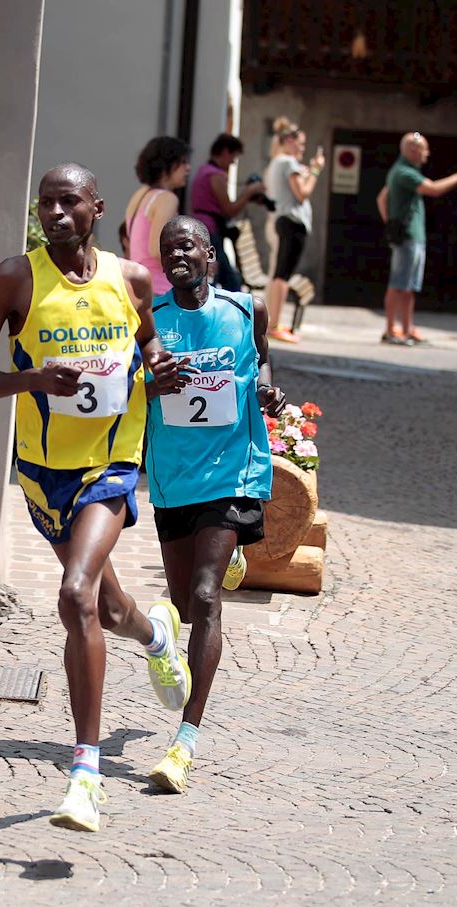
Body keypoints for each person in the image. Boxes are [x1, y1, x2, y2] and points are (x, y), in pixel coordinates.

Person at [0, 163, 193, 833]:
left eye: (69, 202)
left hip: (112, 463)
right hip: (42, 472)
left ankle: (84, 776)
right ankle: (154, 634)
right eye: (46, 204)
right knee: (107, 605)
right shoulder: (15, 279)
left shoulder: (132, 279)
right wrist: (30, 378)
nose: (56, 213)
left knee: (74, 594)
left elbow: (149, 346)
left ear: (96, 207)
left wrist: (162, 368)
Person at [144, 216, 286, 793]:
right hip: (173, 477)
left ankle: (185, 741)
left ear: (209, 254)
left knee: (205, 599)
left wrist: (268, 391)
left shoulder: (247, 309)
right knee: (180, 600)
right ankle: (164, 635)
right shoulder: (149, 320)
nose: (178, 254)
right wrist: (152, 387)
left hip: (232, 471)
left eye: (187, 245)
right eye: (168, 249)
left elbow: (264, 361)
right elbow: (130, 387)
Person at [376, 132, 457, 345]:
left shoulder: (401, 171)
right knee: (398, 284)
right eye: (424, 149)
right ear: (413, 150)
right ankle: (390, 330)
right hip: (408, 236)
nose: (427, 154)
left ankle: (407, 329)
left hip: (413, 235)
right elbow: (433, 189)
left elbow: (382, 198)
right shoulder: (404, 172)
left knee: (409, 286)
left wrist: (390, 223)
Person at [262, 120, 324, 344]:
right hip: (291, 222)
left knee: (280, 273)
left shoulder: (278, 162)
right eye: (300, 143)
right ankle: (275, 324)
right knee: (282, 275)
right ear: (288, 141)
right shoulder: (287, 162)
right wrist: (316, 170)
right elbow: (302, 193)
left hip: (284, 220)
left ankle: (274, 322)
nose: (302, 149)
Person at [188, 133, 267, 292]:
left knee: (218, 276)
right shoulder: (216, 176)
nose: (232, 163)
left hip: (203, 229)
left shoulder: (204, 171)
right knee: (228, 279)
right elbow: (229, 210)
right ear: (225, 152)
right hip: (210, 231)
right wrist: (248, 193)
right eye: (233, 158)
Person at [122, 136, 191, 299]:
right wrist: (195, 262)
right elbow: (158, 249)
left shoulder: (140, 195)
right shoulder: (167, 198)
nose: (188, 168)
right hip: (161, 291)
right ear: (166, 165)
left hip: (138, 287)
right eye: (182, 162)